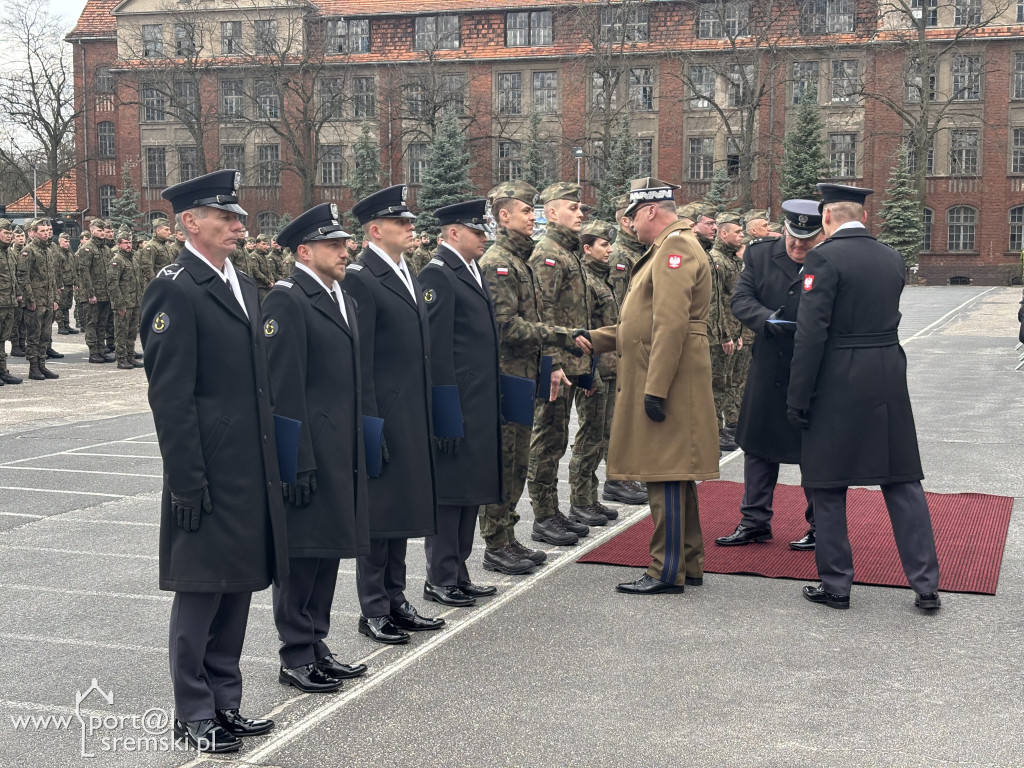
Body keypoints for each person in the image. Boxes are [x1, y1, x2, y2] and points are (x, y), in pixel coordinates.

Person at [140, 169, 288, 753]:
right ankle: (193, 710)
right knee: (201, 593)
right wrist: (186, 479)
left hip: (248, 466)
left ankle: (226, 702)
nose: (237, 226)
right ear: (189, 223)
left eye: (238, 218)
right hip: (205, 467)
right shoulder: (174, 288)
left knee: (237, 587)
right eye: (224, 218)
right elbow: (170, 396)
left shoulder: (243, 284)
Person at [787, 183, 940, 611]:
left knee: (827, 482)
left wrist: (797, 397)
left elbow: (811, 334)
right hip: (887, 369)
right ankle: (926, 584)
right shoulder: (892, 257)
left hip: (838, 375)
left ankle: (837, 584)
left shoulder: (823, 257)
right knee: (901, 478)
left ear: (826, 218)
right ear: (864, 217)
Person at [588, 178, 719, 594]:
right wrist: (592, 338)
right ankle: (690, 562)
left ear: (649, 211)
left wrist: (655, 388)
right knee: (675, 473)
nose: (628, 226)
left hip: (669, 377)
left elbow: (670, 323)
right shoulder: (669, 247)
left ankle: (666, 570)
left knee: (665, 474)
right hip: (672, 372)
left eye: (630, 216)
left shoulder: (674, 248)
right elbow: (641, 323)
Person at [263, 203, 370, 693]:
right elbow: (283, 388)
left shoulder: (340, 296)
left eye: (345, 243)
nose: (345, 250)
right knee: (304, 555)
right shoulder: (289, 299)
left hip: (339, 448)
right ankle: (295, 653)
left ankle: (317, 644)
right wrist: (295, 461)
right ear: (304, 251)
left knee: (328, 550)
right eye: (333, 244)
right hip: (310, 451)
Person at [344, 185, 443, 644]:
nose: (411, 227)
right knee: (380, 514)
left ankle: (397, 598)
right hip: (383, 413)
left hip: (412, 412)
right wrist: (369, 424)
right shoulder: (362, 277)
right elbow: (359, 359)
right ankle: (374, 607)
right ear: (375, 230)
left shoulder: (407, 270)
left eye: (410, 221)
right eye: (401, 222)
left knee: (403, 507)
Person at [478, 181, 586, 574]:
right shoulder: (499, 262)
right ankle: (495, 543)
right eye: (526, 210)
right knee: (504, 462)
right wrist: (559, 338)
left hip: (524, 375)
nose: (532, 217)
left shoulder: (520, 258)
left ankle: (508, 537)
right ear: (503, 216)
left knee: (518, 459)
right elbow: (507, 327)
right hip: (507, 377)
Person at [716, 200, 823, 550]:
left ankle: (820, 526)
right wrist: (765, 319)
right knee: (758, 447)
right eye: (793, 238)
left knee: (815, 451)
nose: (797, 247)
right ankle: (754, 521)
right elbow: (741, 298)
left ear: (820, 235)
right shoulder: (760, 255)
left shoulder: (830, 258)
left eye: (806, 241)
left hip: (813, 368)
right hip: (768, 364)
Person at [418, 199, 504, 607]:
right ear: (453, 233)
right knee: (450, 493)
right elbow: (435, 351)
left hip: (478, 401)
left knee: (470, 489)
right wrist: (446, 414)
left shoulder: (469, 269)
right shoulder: (438, 274)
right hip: (457, 402)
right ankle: (440, 576)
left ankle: (459, 571)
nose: (484, 237)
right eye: (477, 231)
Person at [528, 182, 600, 541]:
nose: (580, 214)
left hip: (574, 362)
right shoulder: (548, 253)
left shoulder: (568, 252)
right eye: (573, 207)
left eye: (581, 208)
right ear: (552, 212)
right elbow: (545, 310)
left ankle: (554, 510)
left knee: (556, 439)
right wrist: (552, 362)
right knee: (548, 439)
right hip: (555, 362)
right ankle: (542, 516)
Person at [569, 219, 621, 524]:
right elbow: (584, 332)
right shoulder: (585, 280)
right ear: (587, 248)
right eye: (603, 244)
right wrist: (588, 373)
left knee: (602, 435)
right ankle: (579, 501)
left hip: (612, 367)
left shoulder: (603, 278)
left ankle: (590, 497)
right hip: (596, 371)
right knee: (589, 437)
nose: (609, 249)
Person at [601, 193, 648, 506]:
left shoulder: (639, 251)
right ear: (625, 220)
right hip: (620, 349)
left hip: (636, 348)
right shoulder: (620, 254)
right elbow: (619, 310)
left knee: (629, 416)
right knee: (614, 420)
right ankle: (617, 479)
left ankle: (627, 473)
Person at [17, 218, 61, 381]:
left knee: (45, 334)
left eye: (47, 230)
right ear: (33, 233)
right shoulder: (29, 251)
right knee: (34, 335)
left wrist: (55, 298)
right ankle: (33, 367)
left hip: (48, 299)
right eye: (42, 231)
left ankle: (42, 364)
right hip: (35, 300)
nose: (46, 233)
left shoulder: (48, 250)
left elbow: (52, 276)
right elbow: (23, 276)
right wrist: (30, 299)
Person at [76, 219, 114, 364]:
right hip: (93, 294)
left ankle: (100, 349)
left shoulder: (105, 249)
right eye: (99, 230)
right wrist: (90, 293)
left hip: (105, 293)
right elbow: (84, 272)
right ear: (91, 231)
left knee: (102, 323)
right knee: (92, 323)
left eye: (103, 230)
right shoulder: (88, 248)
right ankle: (93, 352)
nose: (102, 233)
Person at [107, 234, 144, 370]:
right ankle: (121, 358)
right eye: (125, 243)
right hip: (124, 303)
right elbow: (112, 284)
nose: (128, 245)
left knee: (132, 332)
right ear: (118, 244)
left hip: (134, 301)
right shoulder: (117, 261)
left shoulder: (133, 259)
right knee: (121, 332)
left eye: (130, 242)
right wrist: (119, 304)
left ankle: (130, 356)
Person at [0, 219, 23, 384]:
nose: (9, 236)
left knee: (3, 338)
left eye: (10, 234)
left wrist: (18, 295)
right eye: (6, 233)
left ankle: (2, 370)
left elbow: (14, 278)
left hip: (9, 302)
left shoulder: (9, 253)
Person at [55, 232, 78, 334]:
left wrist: (75, 282)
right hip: (63, 283)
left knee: (67, 305)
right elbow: (57, 270)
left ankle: (67, 324)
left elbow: (73, 269)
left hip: (69, 283)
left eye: (68, 241)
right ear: (59, 241)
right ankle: (61, 326)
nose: (67, 243)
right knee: (60, 305)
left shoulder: (69, 253)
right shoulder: (57, 254)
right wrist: (59, 284)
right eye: (65, 241)